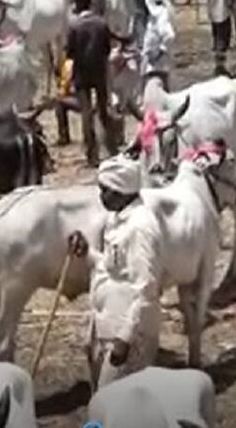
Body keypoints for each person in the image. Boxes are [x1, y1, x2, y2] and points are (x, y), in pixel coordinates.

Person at [68, 157, 163, 390]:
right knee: (102, 397)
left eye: (105, 190)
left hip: (127, 334)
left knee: (117, 399)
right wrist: (87, 253)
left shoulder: (140, 228)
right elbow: (113, 267)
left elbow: (147, 288)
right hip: (106, 325)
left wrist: (125, 338)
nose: (101, 196)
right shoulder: (115, 218)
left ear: (121, 190)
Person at [63, 0, 119, 164]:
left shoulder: (74, 26)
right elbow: (107, 49)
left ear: (77, 5)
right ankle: (111, 148)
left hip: (81, 73)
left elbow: (69, 53)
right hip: (99, 72)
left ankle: (92, 154)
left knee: (86, 113)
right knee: (103, 110)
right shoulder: (101, 23)